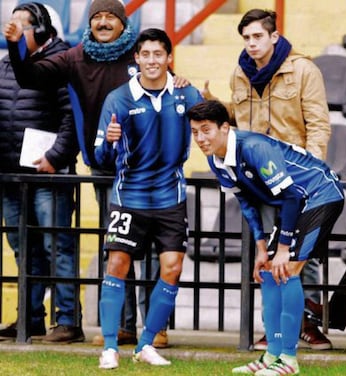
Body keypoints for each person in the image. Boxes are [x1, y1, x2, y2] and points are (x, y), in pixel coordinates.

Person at [3, 0, 185, 347]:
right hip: (105, 168)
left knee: (149, 251)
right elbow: (30, 75)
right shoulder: (76, 56)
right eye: (97, 17)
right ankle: (126, 325)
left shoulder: (139, 51)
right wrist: (15, 45)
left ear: (121, 22)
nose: (103, 22)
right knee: (119, 249)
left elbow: (167, 83)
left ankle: (156, 326)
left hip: (149, 169)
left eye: (110, 17)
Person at [202, 8, 333, 351]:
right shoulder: (240, 73)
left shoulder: (303, 69)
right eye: (246, 38)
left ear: (274, 36)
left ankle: (308, 323)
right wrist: (216, 107)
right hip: (256, 178)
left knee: (305, 254)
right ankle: (273, 328)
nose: (251, 43)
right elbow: (239, 119)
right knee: (266, 251)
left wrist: (313, 169)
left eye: (258, 36)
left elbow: (319, 123)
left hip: (296, 178)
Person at [187, 100, 344, 376]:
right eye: (195, 131)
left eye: (206, 130)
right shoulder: (216, 159)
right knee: (269, 273)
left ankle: (289, 360)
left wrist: (284, 249)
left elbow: (292, 196)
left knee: (288, 270)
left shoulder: (254, 147)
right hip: (293, 203)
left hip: (320, 194)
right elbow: (246, 203)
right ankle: (272, 354)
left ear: (225, 128)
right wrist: (262, 248)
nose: (200, 138)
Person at [94, 27, 203, 369]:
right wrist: (110, 142)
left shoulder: (188, 94)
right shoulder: (118, 98)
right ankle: (110, 347)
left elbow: (211, 130)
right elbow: (98, 157)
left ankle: (145, 344)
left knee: (172, 268)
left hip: (171, 197)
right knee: (117, 265)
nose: (153, 60)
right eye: (146, 55)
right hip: (130, 197)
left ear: (169, 58)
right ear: (137, 58)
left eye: (160, 54)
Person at [0, 2, 83, 343]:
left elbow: (72, 117)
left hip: (49, 173)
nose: (14, 30)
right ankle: (30, 318)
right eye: (12, 23)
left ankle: (68, 321)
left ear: (43, 30)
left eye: (23, 25)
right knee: (24, 248)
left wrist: (55, 155)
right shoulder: (6, 65)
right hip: (10, 174)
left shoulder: (62, 63)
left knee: (56, 246)